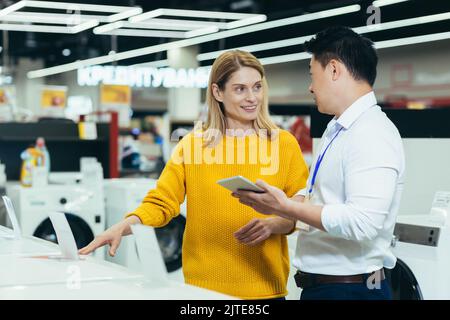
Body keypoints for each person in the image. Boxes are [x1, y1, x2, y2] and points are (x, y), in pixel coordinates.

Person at [80, 50, 309, 300]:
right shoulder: (192, 145)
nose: (252, 97)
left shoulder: (283, 144)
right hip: (202, 290)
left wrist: (272, 224)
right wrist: (124, 226)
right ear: (217, 92)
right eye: (240, 89)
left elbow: (300, 208)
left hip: (264, 290)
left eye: (257, 87)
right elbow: (162, 201)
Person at [233, 26, 405, 300]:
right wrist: (280, 216)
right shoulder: (338, 128)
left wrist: (285, 205)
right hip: (328, 288)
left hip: (351, 290)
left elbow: (363, 223)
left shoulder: (371, 133)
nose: (311, 86)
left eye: (313, 75)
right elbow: (320, 197)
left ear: (334, 70)